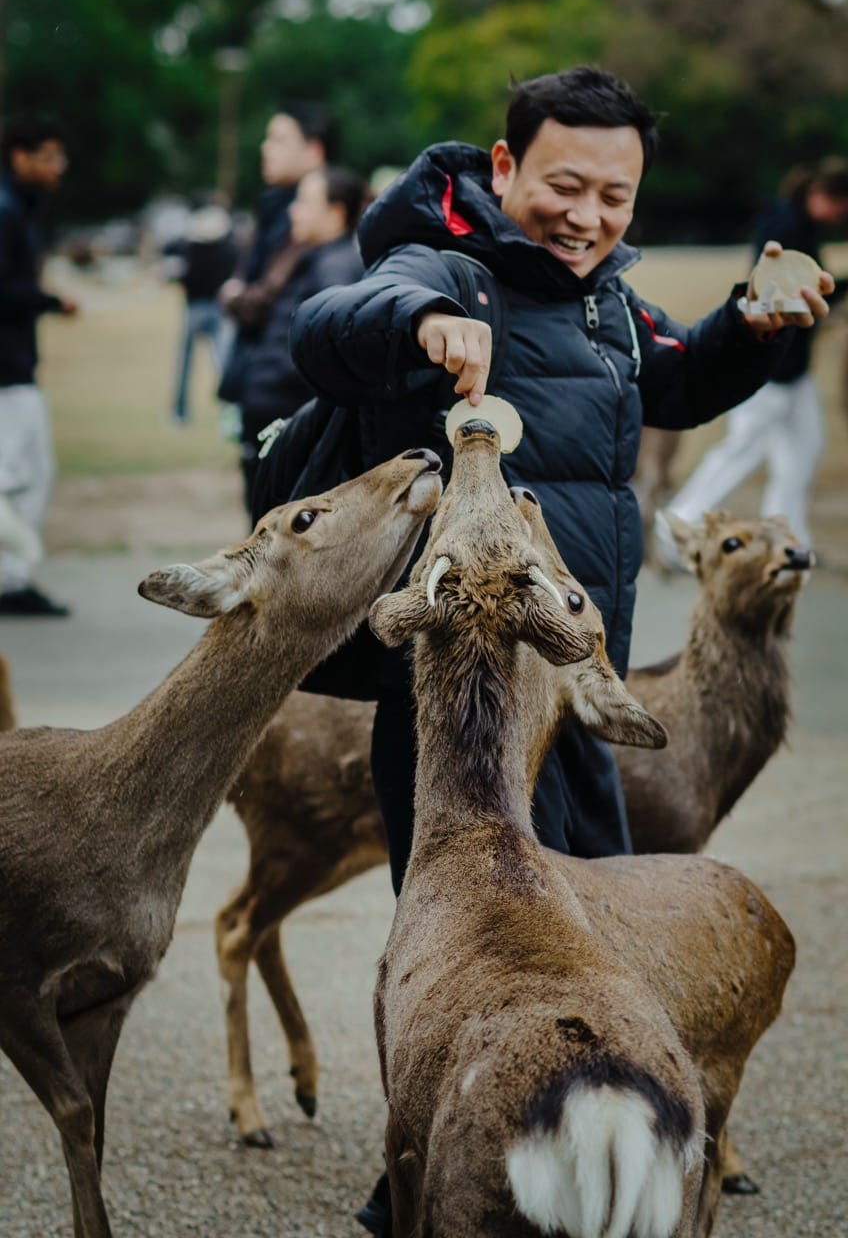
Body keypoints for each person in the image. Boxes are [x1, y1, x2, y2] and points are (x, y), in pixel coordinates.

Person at [286, 65, 833, 1235]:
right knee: (462, 947)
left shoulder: (604, 301)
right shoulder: (438, 264)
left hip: (576, 685)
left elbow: (673, 383)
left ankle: (603, 1146)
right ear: (501, 169)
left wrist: (748, 327)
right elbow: (323, 328)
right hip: (463, 702)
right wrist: (418, 323)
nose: (587, 215)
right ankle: (425, 1173)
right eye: (562, 185)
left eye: (615, 196)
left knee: (597, 934)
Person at [655, 158, 848, 559]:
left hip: (795, 371)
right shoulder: (783, 226)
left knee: (803, 451)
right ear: (821, 195)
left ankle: (787, 541)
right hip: (771, 369)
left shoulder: (803, 225)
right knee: (739, 453)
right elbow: (782, 292)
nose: (840, 215)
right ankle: (676, 527)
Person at [217, 100, 336, 496]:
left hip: (286, 392)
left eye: (280, 139)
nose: (266, 148)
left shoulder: (313, 222)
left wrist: (237, 297)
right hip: (257, 382)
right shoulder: (271, 209)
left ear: (314, 150)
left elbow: (257, 300)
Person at [235, 165, 367, 502]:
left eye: (305, 202)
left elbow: (323, 350)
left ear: (336, 213)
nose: (294, 211)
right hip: (274, 411)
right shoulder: (318, 258)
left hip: (287, 416)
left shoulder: (335, 268)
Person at [0, 116, 78, 617]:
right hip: (6, 372)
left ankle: (13, 577)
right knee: (15, 476)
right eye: (49, 155)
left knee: (30, 472)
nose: (60, 165)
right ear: (19, 156)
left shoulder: (18, 209)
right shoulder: (6, 211)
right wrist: (53, 300)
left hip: (16, 367)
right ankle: (11, 578)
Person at [162, 193, 238, 425]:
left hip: (209, 307)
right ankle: (188, 411)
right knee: (216, 362)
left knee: (220, 362)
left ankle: (224, 409)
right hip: (204, 306)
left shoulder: (195, 242)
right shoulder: (215, 240)